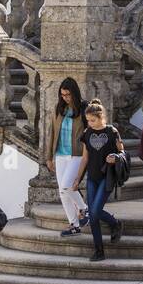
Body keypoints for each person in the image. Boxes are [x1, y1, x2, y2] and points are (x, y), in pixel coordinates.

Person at [70, 101, 125, 261]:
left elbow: (123, 153)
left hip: (107, 177)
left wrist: (115, 157)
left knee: (94, 212)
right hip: (92, 178)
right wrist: (77, 179)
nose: (90, 123)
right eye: (88, 121)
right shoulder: (87, 133)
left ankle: (114, 224)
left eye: (92, 120)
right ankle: (99, 250)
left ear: (101, 117)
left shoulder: (112, 132)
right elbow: (85, 158)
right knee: (93, 215)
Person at [47, 77, 90, 237]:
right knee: (62, 192)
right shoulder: (59, 109)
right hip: (60, 155)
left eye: (68, 95)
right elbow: (51, 132)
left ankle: (84, 209)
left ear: (75, 94)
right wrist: (49, 157)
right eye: (63, 95)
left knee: (66, 186)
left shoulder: (84, 108)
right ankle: (74, 224)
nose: (65, 98)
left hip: (77, 154)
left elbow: (89, 131)